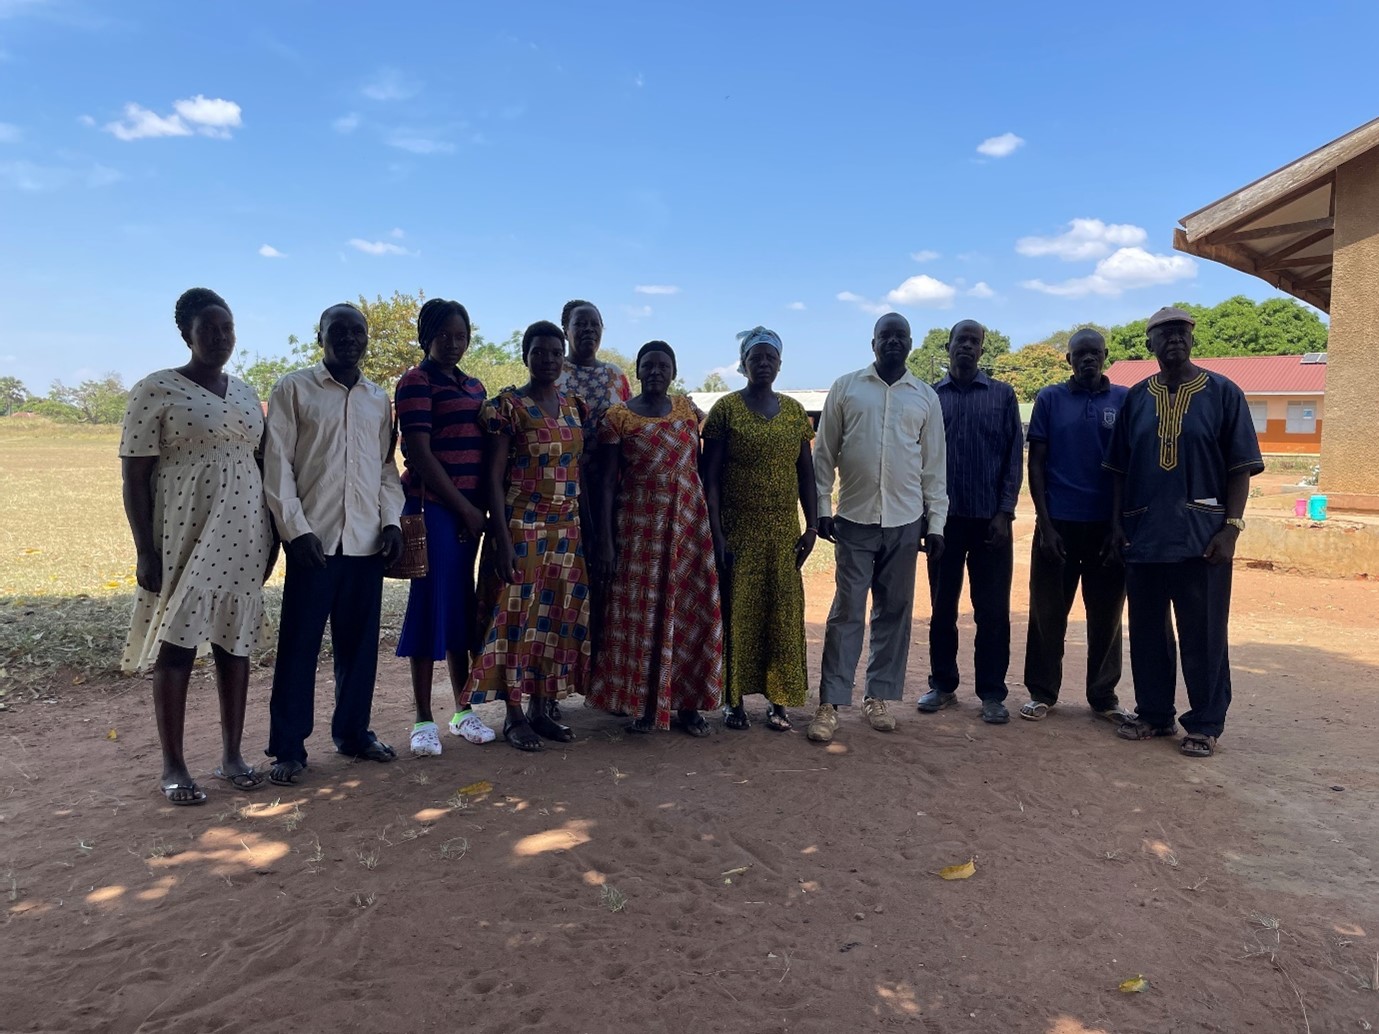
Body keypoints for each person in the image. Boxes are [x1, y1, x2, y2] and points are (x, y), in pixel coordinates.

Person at [119, 288, 278, 805]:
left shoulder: (246, 392)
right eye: (209, 329)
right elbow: (135, 476)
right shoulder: (156, 389)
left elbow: (259, 465)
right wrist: (146, 549)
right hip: (183, 535)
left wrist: (271, 535)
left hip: (245, 534)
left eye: (227, 329)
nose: (220, 338)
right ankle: (174, 765)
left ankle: (232, 755)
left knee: (235, 647)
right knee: (178, 647)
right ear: (187, 333)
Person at [1106, 307, 1263, 758]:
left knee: (1204, 633)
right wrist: (1117, 525)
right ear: (1149, 343)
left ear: (1193, 340)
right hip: (1144, 537)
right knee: (1149, 631)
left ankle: (1205, 722)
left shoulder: (1222, 394)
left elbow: (1240, 468)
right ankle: (1154, 714)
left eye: (1181, 333)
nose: (1173, 339)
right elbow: (1117, 470)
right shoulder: (1136, 398)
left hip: (1202, 540)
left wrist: (1231, 528)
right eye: (1163, 334)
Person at [262, 302, 405, 785]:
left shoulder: (376, 398)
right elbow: (277, 464)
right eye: (338, 331)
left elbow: (385, 468)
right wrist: (295, 530)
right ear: (319, 334)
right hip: (313, 543)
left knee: (359, 648)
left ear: (366, 338)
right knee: (299, 647)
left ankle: (353, 733)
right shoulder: (294, 388)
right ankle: (288, 747)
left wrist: (391, 522)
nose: (348, 338)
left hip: (366, 541)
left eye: (357, 331)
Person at [808, 313, 948, 744]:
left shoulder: (925, 397)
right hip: (853, 519)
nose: (892, 342)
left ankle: (878, 697)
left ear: (910, 343)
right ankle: (830, 703)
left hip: (906, 522)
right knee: (847, 610)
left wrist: (936, 522)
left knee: (895, 612)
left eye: (899, 336)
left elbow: (934, 467)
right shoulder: (847, 388)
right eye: (885, 336)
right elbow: (824, 454)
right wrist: (822, 507)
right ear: (873, 343)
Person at [460, 321, 593, 751]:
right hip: (523, 525)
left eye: (556, 352)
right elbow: (494, 477)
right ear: (525, 355)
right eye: (540, 352)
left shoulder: (575, 406)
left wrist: (587, 529)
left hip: (565, 531)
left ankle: (541, 709)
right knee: (517, 620)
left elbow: (580, 474)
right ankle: (514, 716)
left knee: (554, 620)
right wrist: (501, 538)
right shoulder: (509, 407)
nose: (549, 359)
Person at [588, 341, 723, 734]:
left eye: (664, 365)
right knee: (642, 619)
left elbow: (707, 467)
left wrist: (713, 528)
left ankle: (689, 707)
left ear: (674, 371)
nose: (656, 371)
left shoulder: (689, 411)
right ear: (638, 372)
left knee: (688, 613)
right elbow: (607, 484)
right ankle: (645, 706)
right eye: (649, 365)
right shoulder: (619, 418)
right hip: (639, 530)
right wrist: (607, 541)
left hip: (687, 528)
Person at [702, 327, 818, 732]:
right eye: (756, 357)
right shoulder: (726, 410)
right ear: (744, 363)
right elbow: (710, 478)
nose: (764, 363)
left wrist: (812, 526)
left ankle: (778, 700)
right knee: (738, 614)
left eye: (771, 357)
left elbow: (807, 474)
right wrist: (717, 534)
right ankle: (732, 702)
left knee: (782, 615)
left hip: (783, 533)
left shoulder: (793, 413)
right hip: (738, 531)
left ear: (780, 363)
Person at [393, 298, 495, 756]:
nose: (454, 343)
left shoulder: (474, 387)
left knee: (460, 606)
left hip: (468, 513)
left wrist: (476, 510)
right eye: (444, 335)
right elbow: (419, 454)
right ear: (426, 336)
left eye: (461, 335)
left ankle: (462, 710)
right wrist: (465, 510)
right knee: (430, 604)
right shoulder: (415, 382)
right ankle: (421, 719)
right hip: (433, 507)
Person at [1020, 329, 1131, 723]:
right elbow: (1036, 463)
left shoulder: (1123, 400)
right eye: (1080, 354)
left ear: (1105, 356)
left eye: (1095, 353)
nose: (1088, 359)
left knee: (1106, 616)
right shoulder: (1050, 399)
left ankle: (1103, 697)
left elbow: (1125, 467)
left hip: (1107, 529)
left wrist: (1118, 526)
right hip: (1058, 526)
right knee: (1047, 613)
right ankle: (1042, 692)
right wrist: (1045, 524)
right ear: (1068, 359)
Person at [917, 319, 1023, 725]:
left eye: (973, 341)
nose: (966, 346)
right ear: (947, 347)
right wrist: (927, 518)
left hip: (990, 523)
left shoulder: (1001, 395)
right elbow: (918, 459)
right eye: (960, 340)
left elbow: (1014, 457)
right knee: (942, 608)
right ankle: (942, 685)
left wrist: (1005, 512)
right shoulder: (930, 398)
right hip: (943, 523)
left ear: (982, 349)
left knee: (992, 612)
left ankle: (992, 693)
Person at [553, 299, 630, 719]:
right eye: (580, 324)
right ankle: (553, 686)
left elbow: (632, 426)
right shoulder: (551, 368)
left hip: (611, 496)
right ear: (566, 328)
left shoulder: (616, 377)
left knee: (607, 587)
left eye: (594, 324)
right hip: (561, 494)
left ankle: (602, 683)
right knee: (563, 588)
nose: (588, 331)